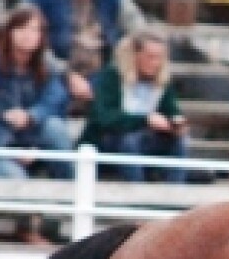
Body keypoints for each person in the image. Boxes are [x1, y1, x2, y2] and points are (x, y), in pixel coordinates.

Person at [0, 6, 73, 180]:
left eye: (34, 30)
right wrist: (10, 148)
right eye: (22, 28)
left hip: (29, 141)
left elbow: (56, 100)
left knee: (55, 127)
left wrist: (31, 116)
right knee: (15, 177)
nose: (28, 35)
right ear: (9, 32)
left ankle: (72, 191)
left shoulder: (48, 67)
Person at [78, 28, 188, 183]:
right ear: (135, 55)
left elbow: (171, 110)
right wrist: (144, 120)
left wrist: (175, 123)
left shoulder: (162, 82)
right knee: (130, 140)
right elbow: (104, 117)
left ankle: (175, 192)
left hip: (146, 140)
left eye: (159, 58)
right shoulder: (112, 76)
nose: (155, 63)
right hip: (108, 140)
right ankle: (137, 192)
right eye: (150, 57)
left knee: (179, 141)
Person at [22, 0, 144, 101]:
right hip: (54, 75)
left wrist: (120, 59)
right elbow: (19, 35)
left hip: (102, 74)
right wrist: (67, 74)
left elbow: (139, 29)